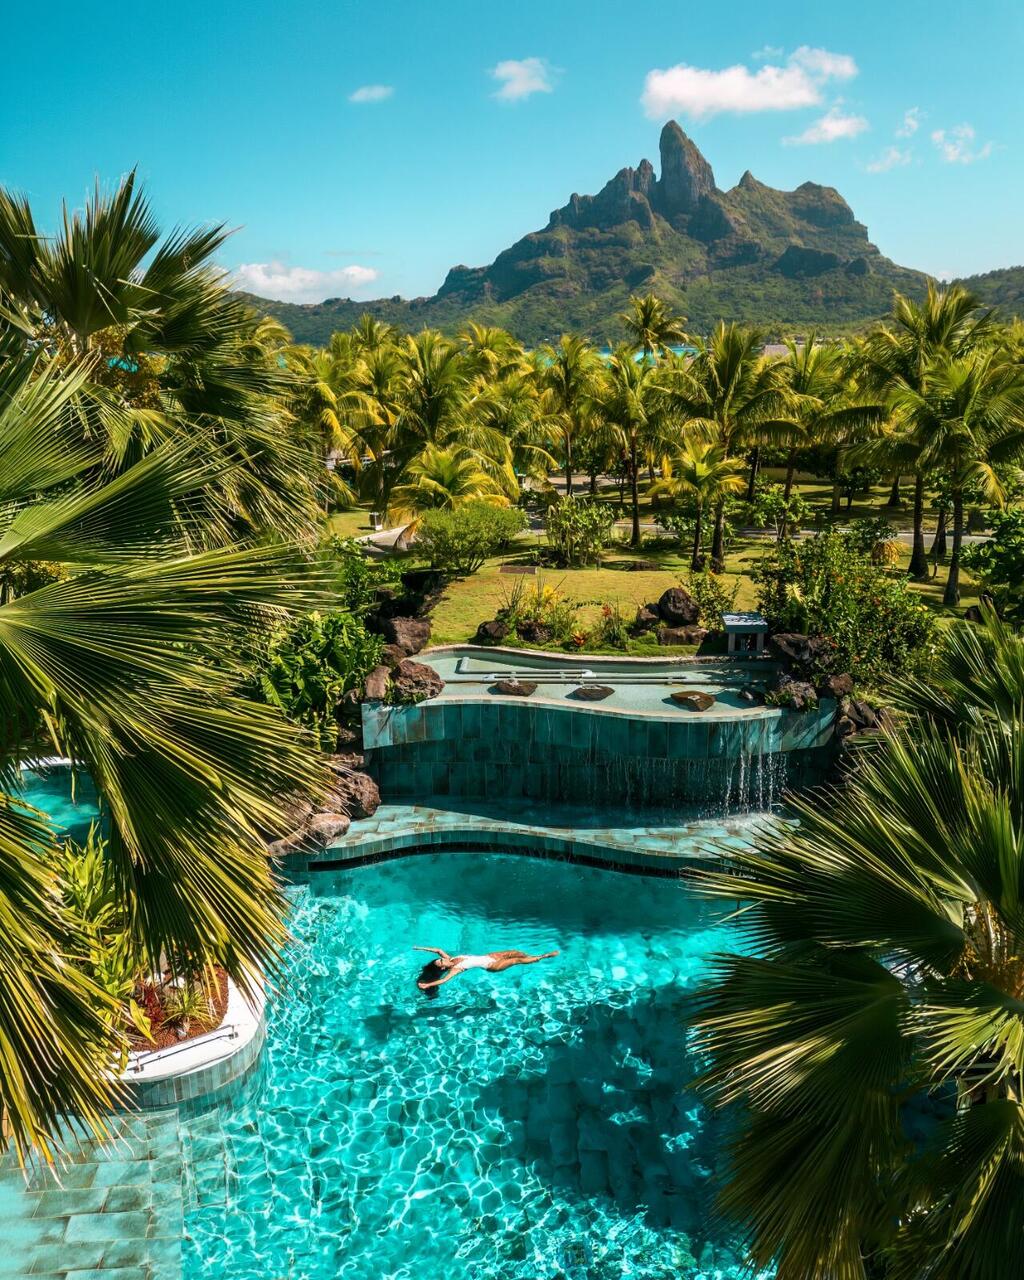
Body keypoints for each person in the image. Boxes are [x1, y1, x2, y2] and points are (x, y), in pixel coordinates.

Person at [413, 945, 559, 990]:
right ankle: (543, 956)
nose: (442, 960)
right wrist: (427, 985)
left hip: (489, 956)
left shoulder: (448, 958)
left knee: (514, 952)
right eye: (441, 963)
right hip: (492, 965)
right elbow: (443, 981)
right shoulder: (455, 969)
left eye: (440, 960)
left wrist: (420, 948)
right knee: (515, 960)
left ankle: (532, 957)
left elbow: (437, 950)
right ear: (444, 968)